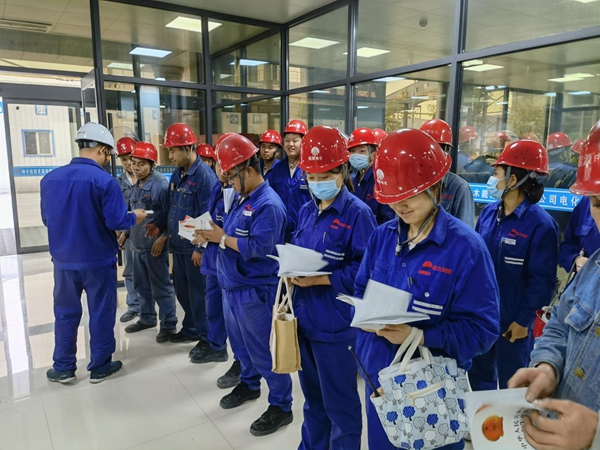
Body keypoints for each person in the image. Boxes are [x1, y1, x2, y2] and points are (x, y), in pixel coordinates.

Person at [355, 128, 500, 450]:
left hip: (432, 391)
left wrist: (418, 336)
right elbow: (361, 289)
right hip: (380, 380)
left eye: (408, 196)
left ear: (435, 187)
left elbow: (482, 331)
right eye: (392, 198)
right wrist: (364, 317)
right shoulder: (382, 237)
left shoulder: (466, 249)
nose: (400, 206)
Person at [194, 133, 293, 437]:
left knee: (264, 351)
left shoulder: (269, 204)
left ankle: (282, 405)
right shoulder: (242, 197)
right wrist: (210, 233)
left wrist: (222, 238)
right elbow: (231, 231)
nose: (228, 181)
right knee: (241, 346)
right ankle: (249, 384)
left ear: (248, 170)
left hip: (255, 290)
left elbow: (261, 247)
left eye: (231, 175)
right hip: (232, 285)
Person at [508, 124, 600, 450]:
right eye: (598, 203)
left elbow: (540, 279)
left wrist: (595, 435)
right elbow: (561, 324)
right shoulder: (595, 267)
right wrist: (548, 366)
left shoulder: (539, 223)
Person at [291, 126, 377, 449]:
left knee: (340, 407)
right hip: (305, 321)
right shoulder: (306, 210)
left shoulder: (358, 214)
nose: (317, 183)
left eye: (324, 175)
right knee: (313, 401)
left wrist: (322, 278)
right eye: (311, 176)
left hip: (336, 326)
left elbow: (367, 273)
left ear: (342, 171)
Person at [41, 122, 147, 384]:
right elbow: (116, 221)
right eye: (108, 154)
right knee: (100, 312)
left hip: (64, 262)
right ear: (102, 150)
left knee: (65, 313)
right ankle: (100, 366)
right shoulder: (104, 181)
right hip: (98, 261)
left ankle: (63, 367)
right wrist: (136, 216)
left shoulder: (50, 180)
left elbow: (47, 219)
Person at [470, 139, 559, 391]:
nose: (492, 179)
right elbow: (476, 264)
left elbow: (542, 282)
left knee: (514, 385)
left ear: (512, 179)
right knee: (479, 380)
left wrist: (523, 321)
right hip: (482, 317)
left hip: (513, 322)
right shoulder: (488, 214)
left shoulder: (541, 225)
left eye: (496, 173)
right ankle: (484, 417)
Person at [162, 124, 219, 356]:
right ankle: (191, 328)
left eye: (173, 151)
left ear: (187, 149)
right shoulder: (178, 174)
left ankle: (208, 339)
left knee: (199, 296)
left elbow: (208, 215)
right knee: (183, 293)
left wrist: (201, 248)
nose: (170, 156)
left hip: (194, 248)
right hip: (179, 245)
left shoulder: (205, 177)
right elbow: (173, 207)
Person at [123, 142, 178, 342]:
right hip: (137, 244)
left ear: (152, 165)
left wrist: (164, 237)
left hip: (154, 246)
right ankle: (147, 318)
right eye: (134, 163)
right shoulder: (136, 185)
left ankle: (169, 324)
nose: (136, 168)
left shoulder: (160, 185)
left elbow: (170, 215)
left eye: (142, 164)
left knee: (161, 287)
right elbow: (133, 213)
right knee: (141, 285)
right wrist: (125, 234)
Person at [420, 119, 475, 227]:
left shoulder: (459, 188)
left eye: (435, 149)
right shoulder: (411, 184)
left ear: (447, 151)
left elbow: (464, 231)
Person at [267, 119, 311, 242]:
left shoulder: (310, 169)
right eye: (287, 140)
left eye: (295, 140)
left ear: (303, 142)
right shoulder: (277, 169)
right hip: (280, 229)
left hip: (304, 229)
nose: (290, 144)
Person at [115, 136, 141, 323]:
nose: (127, 164)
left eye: (130, 159)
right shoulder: (118, 183)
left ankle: (148, 307)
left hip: (147, 231)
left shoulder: (149, 179)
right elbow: (117, 209)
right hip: (128, 233)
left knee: (149, 271)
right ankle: (133, 305)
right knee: (130, 270)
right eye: (123, 160)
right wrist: (120, 232)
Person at [347, 127, 395, 224]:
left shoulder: (382, 182)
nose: (356, 155)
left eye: (362, 151)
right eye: (353, 151)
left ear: (373, 154)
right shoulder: (352, 181)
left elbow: (388, 220)